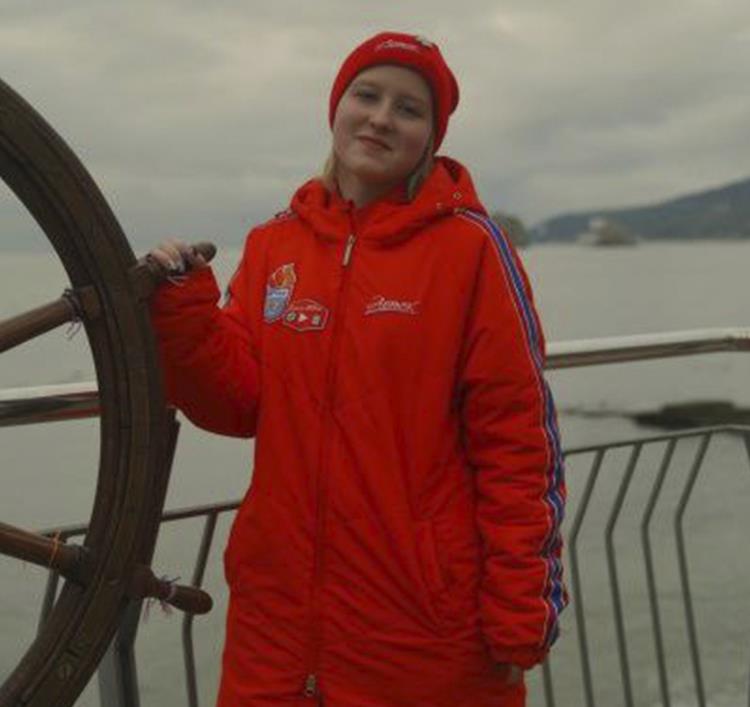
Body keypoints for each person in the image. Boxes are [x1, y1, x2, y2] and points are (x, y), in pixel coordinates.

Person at [149, 31, 567, 707]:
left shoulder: (472, 250)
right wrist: (183, 315)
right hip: (275, 630)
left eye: (409, 108)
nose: (381, 118)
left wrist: (521, 612)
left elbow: (519, 443)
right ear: (336, 107)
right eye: (366, 95)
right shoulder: (275, 245)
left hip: (422, 633)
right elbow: (236, 404)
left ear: (431, 136)